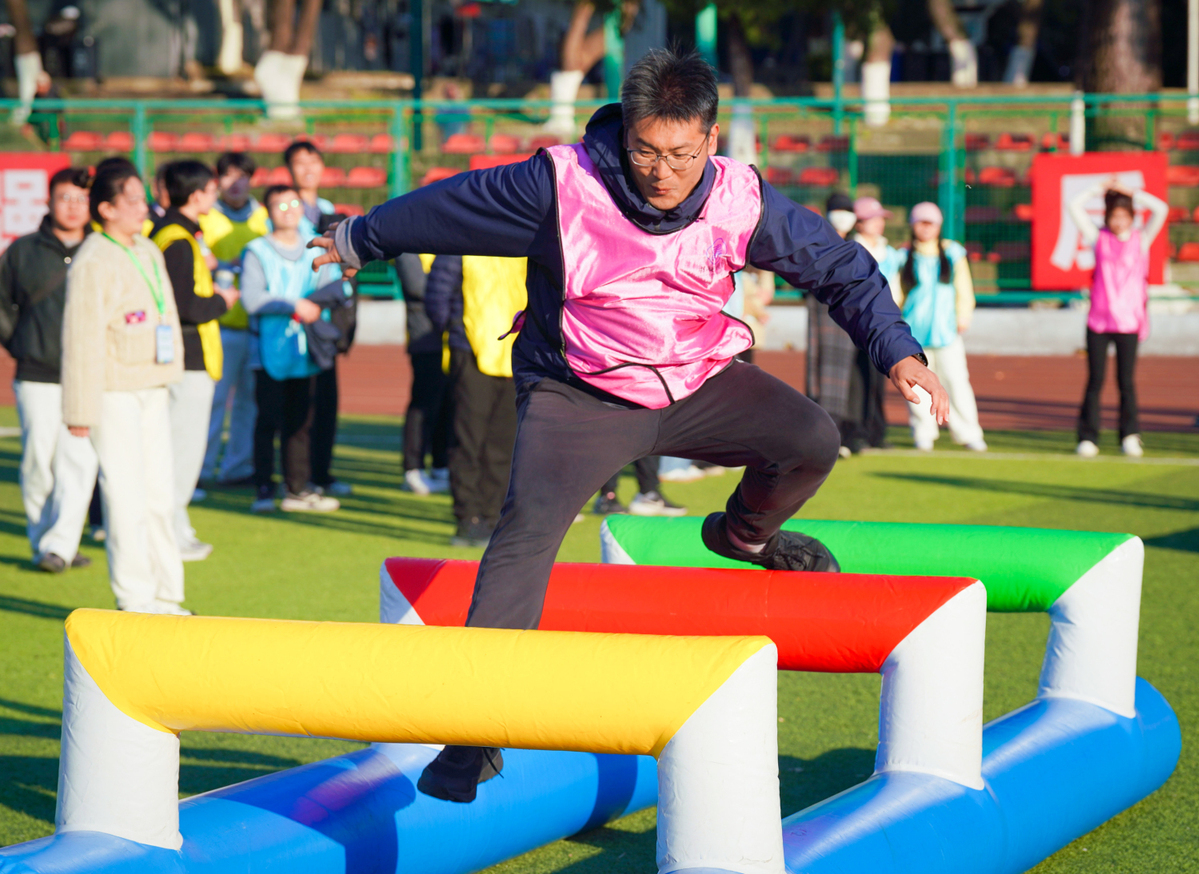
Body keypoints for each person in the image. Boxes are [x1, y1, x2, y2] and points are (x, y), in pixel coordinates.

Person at [311, 47, 947, 802]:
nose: (661, 172)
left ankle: (743, 537)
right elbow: (451, 206)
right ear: (625, 133)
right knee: (524, 536)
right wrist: (358, 238)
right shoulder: (562, 182)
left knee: (811, 438)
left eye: (681, 154)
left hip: (698, 381)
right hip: (579, 394)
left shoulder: (742, 199)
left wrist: (898, 351)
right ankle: (472, 733)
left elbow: (838, 267)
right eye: (644, 151)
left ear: (710, 140)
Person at [61, 163, 189, 614]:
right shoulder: (93, 259)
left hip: (153, 383)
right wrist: (80, 409)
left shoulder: (148, 249)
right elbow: (81, 338)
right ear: (106, 209)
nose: (142, 207)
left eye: (142, 197)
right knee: (125, 495)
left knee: (160, 494)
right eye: (131, 200)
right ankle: (135, 599)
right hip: (114, 391)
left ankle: (167, 593)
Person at [0, 166, 98, 572]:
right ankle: (43, 542)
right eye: (65, 198)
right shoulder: (23, 251)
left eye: (81, 198)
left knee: (80, 461)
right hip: (36, 372)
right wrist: (22, 344)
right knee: (39, 461)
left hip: (88, 376)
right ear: (49, 201)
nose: (73, 207)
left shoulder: (101, 248)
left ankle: (62, 544)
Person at [152, 160, 239, 561]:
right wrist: (222, 301)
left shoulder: (178, 234)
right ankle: (168, 532)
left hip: (185, 358)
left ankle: (176, 526)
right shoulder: (177, 239)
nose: (215, 196)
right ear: (196, 193)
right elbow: (185, 305)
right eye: (211, 190)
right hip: (186, 360)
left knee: (179, 449)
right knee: (181, 452)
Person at [243, 185, 347, 513]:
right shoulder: (257, 250)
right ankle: (263, 487)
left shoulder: (316, 246)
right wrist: (294, 304)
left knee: (301, 422)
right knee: (267, 421)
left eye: (293, 203)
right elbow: (252, 299)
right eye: (280, 205)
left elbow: (336, 286)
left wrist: (317, 303)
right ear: (268, 211)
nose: (288, 210)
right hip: (268, 350)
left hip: (307, 349)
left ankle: (297, 488)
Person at [425, 254, 525, 547]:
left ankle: (493, 515)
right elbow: (437, 295)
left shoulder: (521, 241)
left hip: (514, 351)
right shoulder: (458, 243)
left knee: (502, 441)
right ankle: (467, 516)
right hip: (469, 350)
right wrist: (457, 331)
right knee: (468, 438)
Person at [1067, 177, 1168, 458]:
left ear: (1132, 217)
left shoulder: (1141, 240)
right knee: (1095, 380)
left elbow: (1161, 209)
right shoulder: (1098, 238)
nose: (1119, 222)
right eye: (1114, 216)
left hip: (1129, 324)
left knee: (1126, 382)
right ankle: (1088, 437)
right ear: (1107, 217)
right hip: (1099, 323)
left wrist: (1131, 192)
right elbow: (1073, 205)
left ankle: (1130, 436)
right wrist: (1095, 189)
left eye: (1124, 216)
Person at [285, 139, 352, 497]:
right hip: (294, 318)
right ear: (289, 169)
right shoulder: (282, 208)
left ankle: (322, 473)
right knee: (296, 406)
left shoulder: (330, 212)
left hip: (324, 320)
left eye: (313, 161)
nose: (308, 169)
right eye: (300, 162)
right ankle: (292, 478)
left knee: (326, 401)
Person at [199, 151, 270, 486]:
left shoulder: (264, 218)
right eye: (228, 175)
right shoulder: (206, 216)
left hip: (255, 327)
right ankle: (200, 469)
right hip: (218, 325)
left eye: (243, 175)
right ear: (218, 180)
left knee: (247, 405)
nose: (236, 183)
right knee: (212, 402)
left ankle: (237, 467)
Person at [894, 202, 986, 452]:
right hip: (914, 334)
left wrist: (963, 315)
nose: (926, 228)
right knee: (917, 384)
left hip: (947, 332)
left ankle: (968, 432)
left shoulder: (952, 253)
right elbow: (896, 294)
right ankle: (923, 433)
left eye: (931, 223)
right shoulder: (903, 256)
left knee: (957, 382)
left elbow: (964, 287)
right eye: (921, 223)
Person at [806, 193, 866, 456]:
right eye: (838, 210)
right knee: (821, 370)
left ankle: (848, 433)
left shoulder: (856, 245)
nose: (844, 216)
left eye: (848, 211)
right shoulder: (816, 240)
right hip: (823, 309)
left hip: (851, 313)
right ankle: (824, 435)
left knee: (851, 374)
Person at [852, 196, 903, 449]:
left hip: (882, 323)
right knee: (856, 378)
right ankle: (856, 431)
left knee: (878, 377)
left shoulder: (890, 253)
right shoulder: (850, 248)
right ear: (859, 223)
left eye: (881, 218)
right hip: (855, 321)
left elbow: (896, 287)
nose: (879, 223)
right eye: (873, 219)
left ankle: (876, 431)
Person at [398, 251, 451, 495]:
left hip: (451, 339)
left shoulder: (448, 244)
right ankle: (413, 468)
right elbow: (417, 286)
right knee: (423, 405)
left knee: (448, 403)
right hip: (425, 339)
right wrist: (453, 285)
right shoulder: (409, 247)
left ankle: (441, 464)